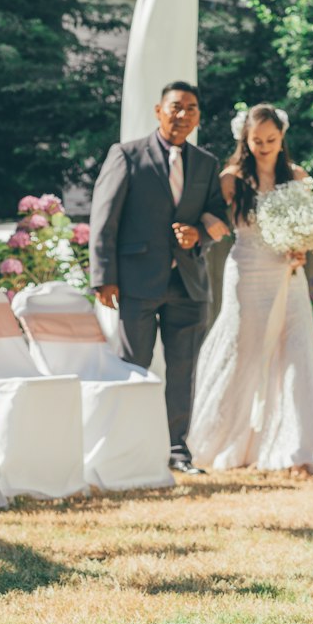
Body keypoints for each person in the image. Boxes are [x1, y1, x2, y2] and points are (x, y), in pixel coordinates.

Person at [88, 81, 229, 475]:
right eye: (176, 107)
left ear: (198, 116)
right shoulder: (127, 155)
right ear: (158, 110)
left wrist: (199, 233)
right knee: (133, 365)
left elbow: (220, 214)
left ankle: (176, 449)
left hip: (189, 284)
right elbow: (104, 218)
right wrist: (103, 277)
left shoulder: (206, 163)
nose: (183, 115)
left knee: (183, 371)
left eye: (192, 109)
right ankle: (128, 444)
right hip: (135, 282)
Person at [187, 104, 313, 474]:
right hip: (248, 273)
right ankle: (230, 445)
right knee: (245, 355)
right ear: (245, 140)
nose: (265, 146)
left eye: (271, 139)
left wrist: (302, 249)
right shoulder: (231, 178)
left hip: (287, 275)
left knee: (296, 355)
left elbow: (308, 228)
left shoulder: (297, 176)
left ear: (282, 137)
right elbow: (212, 218)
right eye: (257, 140)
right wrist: (206, 222)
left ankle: (297, 451)